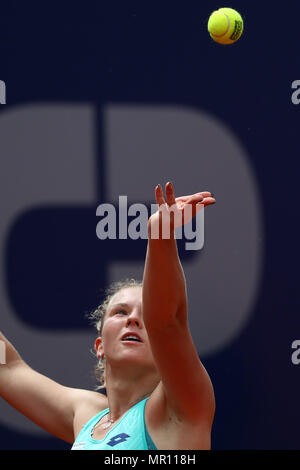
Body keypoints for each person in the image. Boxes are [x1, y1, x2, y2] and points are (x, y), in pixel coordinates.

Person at [0, 182, 216, 450]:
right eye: (121, 312)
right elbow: (6, 369)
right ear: (100, 346)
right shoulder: (86, 415)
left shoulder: (180, 409)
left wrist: (160, 233)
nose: (133, 320)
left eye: (144, 317)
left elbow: (167, 323)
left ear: (165, 350)